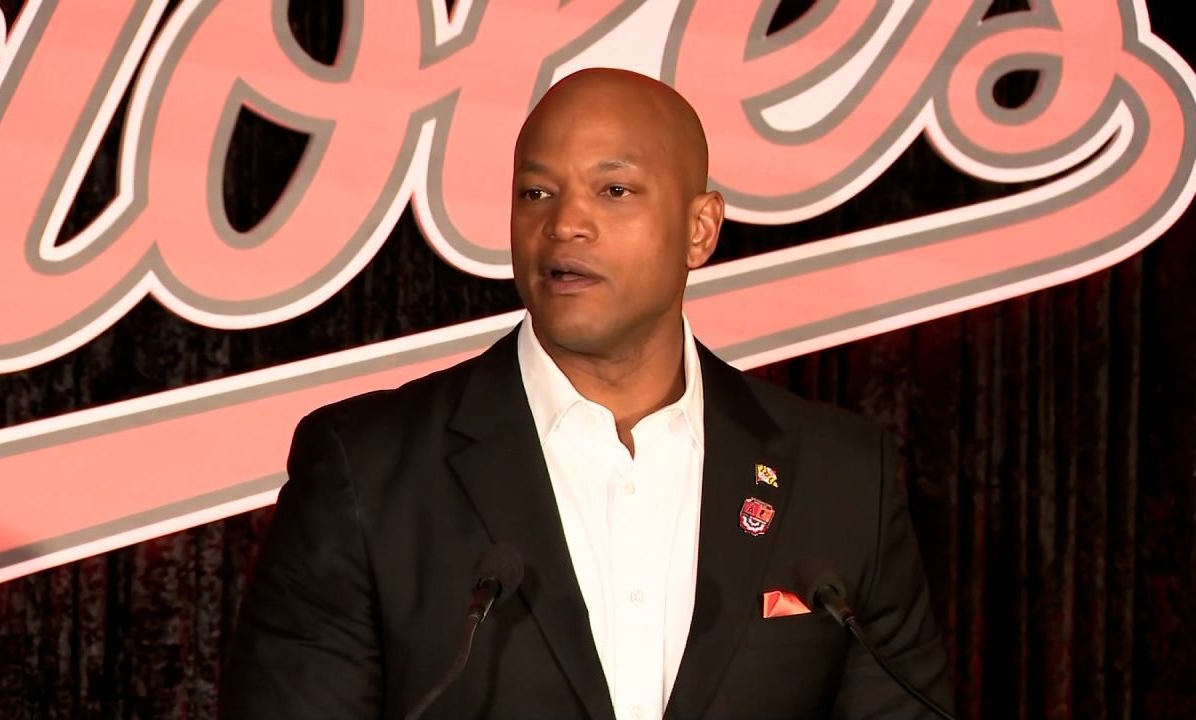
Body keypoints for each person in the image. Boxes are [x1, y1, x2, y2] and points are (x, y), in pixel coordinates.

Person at [221, 68, 951, 719]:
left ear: (700, 229)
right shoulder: (369, 470)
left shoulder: (841, 476)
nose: (564, 223)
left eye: (614, 189)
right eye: (536, 192)